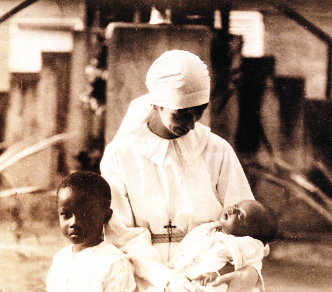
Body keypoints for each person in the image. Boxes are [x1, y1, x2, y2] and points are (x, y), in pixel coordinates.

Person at [100, 50, 264, 291]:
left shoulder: (217, 150)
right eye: (182, 112)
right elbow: (120, 234)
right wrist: (168, 280)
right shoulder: (120, 155)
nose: (192, 123)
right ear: (156, 103)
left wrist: (247, 271)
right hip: (143, 275)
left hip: (210, 273)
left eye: (200, 110)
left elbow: (248, 224)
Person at [46, 171, 136, 292]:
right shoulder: (60, 258)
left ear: (106, 216)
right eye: (66, 215)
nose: (74, 222)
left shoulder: (114, 263)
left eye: (85, 215)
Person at [168, 200, 277, 291]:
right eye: (235, 206)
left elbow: (239, 265)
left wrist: (217, 273)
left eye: (239, 215)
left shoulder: (240, 244)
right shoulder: (211, 231)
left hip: (214, 283)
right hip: (189, 278)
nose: (232, 210)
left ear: (249, 232)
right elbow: (192, 249)